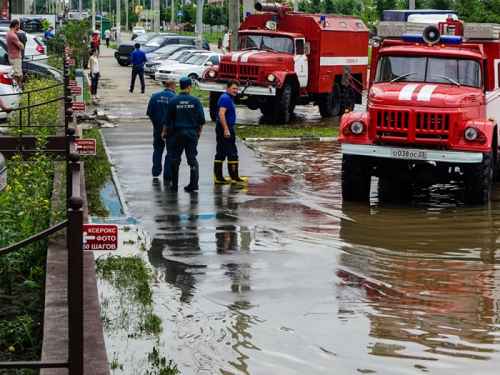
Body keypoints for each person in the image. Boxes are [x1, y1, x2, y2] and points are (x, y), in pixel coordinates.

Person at [163, 77, 205, 192]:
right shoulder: (195, 101)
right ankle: (193, 184)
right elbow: (201, 119)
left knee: (175, 159)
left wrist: (164, 132)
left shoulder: (173, 101)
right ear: (189, 87)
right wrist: (198, 133)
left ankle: (174, 185)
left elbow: (167, 120)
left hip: (177, 134)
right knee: (192, 158)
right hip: (191, 134)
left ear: (180, 86)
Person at [214, 80, 247, 184]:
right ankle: (234, 177)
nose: (235, 91)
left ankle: (218, 178)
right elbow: (221, 114)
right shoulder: (225, 99)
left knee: (221, 152)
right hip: (225, 127)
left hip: (223, 127)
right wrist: (226, 129)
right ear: (227, 88)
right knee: (232, 152)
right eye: (233, 88)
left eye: (237, 89)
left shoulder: (228, 98)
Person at [147, 79, 176, 183]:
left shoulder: (154, 96)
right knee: (170, 152)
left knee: (158, 149)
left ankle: (155, 171)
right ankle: (167, 175)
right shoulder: (174, 98)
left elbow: (149, 113)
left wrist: (155, 124)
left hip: (157, 127)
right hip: (171, 129)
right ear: (172, 86)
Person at [6, 20, 24, 88]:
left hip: (12, 56)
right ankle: (17, 90)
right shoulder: (13, 35)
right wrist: (21, 42)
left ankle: (16, 89)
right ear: (16, 25)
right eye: (18, 25)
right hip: (15, 58)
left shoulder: (9, 33)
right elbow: (21, 46)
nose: (19, 27)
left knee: (16, 74)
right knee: (18, 76)